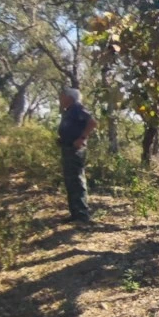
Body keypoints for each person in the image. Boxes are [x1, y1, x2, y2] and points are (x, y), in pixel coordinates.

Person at [57, 87, 98, 224]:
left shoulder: (77, 108)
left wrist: (82, 138)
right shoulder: (69, 110)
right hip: (68, 149)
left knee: (77, 181)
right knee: (70, 182)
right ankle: (75, 214)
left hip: (75, 151)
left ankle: (82, 215)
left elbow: (92, 122)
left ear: (69, 97)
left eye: (62, 96)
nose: (60, 99)